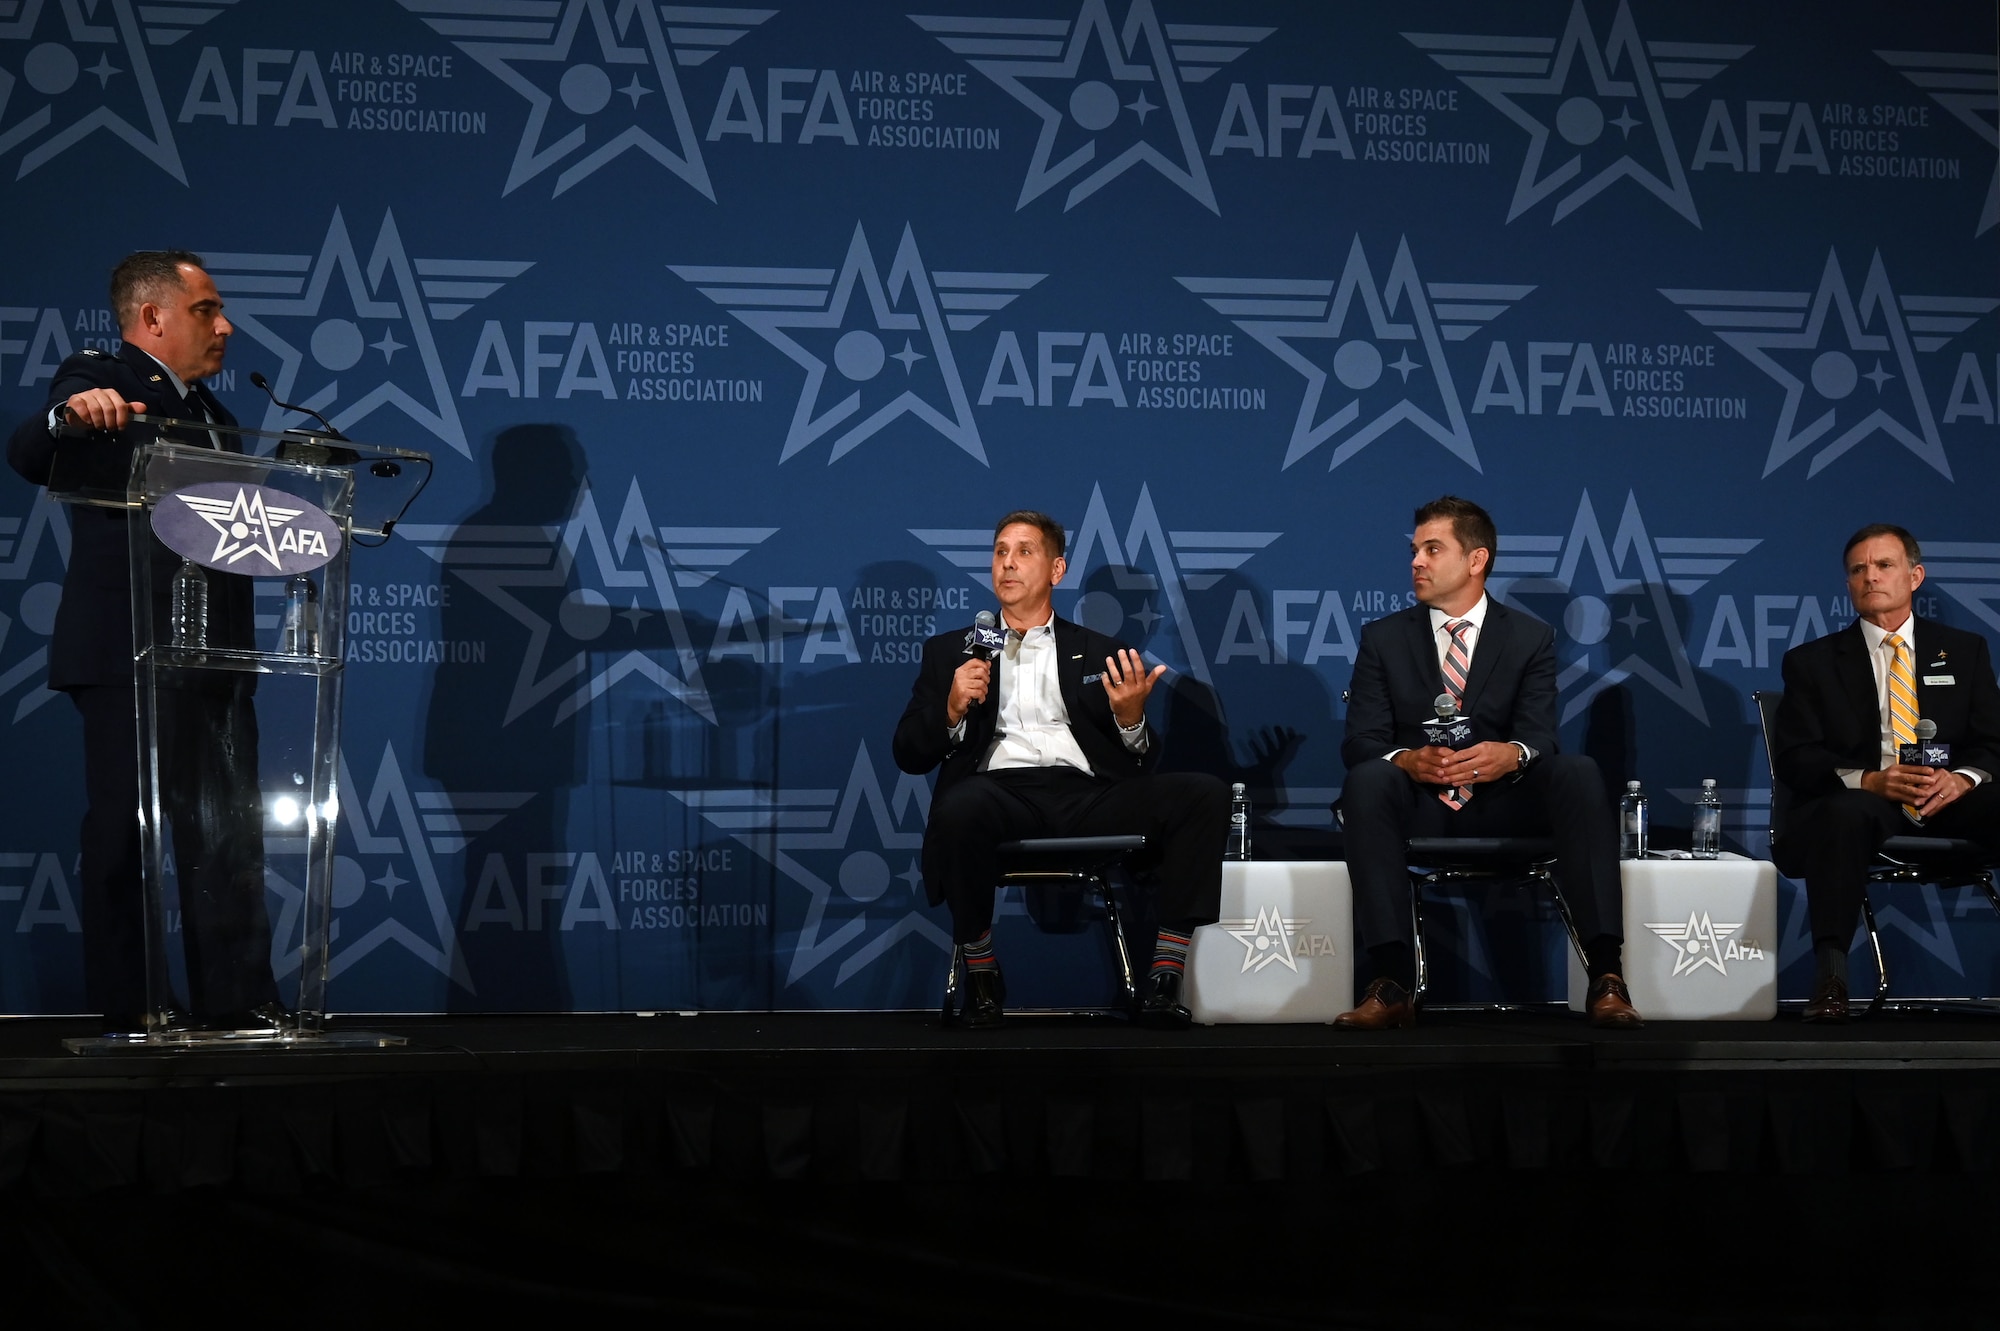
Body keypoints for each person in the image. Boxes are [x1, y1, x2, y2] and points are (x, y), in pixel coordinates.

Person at [6, 250, 280, 1035]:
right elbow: (34, 447)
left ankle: (237, 1000)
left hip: (215, 658)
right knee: (126, 837)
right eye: (206, 310)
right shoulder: (103, 382)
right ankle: (134, 1006)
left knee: (226, 835)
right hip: (129, 653)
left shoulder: (216, 417)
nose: (225, 326)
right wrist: (72, 411)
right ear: (152, 317)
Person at [893, 511, 1228, 1028]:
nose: (1007, 563)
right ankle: (981, 971)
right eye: (1001, 551)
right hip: (998, 794)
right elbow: (908, 754)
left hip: (1087, 796)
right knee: (959, 807)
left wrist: (1130, 720)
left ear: (1057, 570)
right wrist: (952, 709)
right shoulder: (950, 654)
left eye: (1024, 552)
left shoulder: (1101, 651)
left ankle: (1166, 973)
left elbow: (1138, 760)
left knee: (1202, 794)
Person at [1335, 496, 1641, 1029]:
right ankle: (1389, 982)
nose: (1416, 562)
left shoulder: (1529, 637)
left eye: (1433, 549)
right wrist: (1407, 760)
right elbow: (1361, 741)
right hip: (1420, 805)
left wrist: (1512, 754)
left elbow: (1540, 737)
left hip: (1502, 803)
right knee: (1368, 779)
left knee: (1578, 772)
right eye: (1414, 551)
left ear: (1476, 560)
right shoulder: (1383, 639)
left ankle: (1607, 976)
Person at [1772, 524, 2000, 1023]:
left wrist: (1962, 778)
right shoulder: (1811, 663)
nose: (1869, 577)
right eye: (1858, 570)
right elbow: (1796, 758)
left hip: (1948, 797)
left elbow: (1992, 742)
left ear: (1915, 576)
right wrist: (1871, 779)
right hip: (1866, 802)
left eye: (1883, 566)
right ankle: (1831, 978)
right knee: (1844, 813)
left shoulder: (1965, 650)